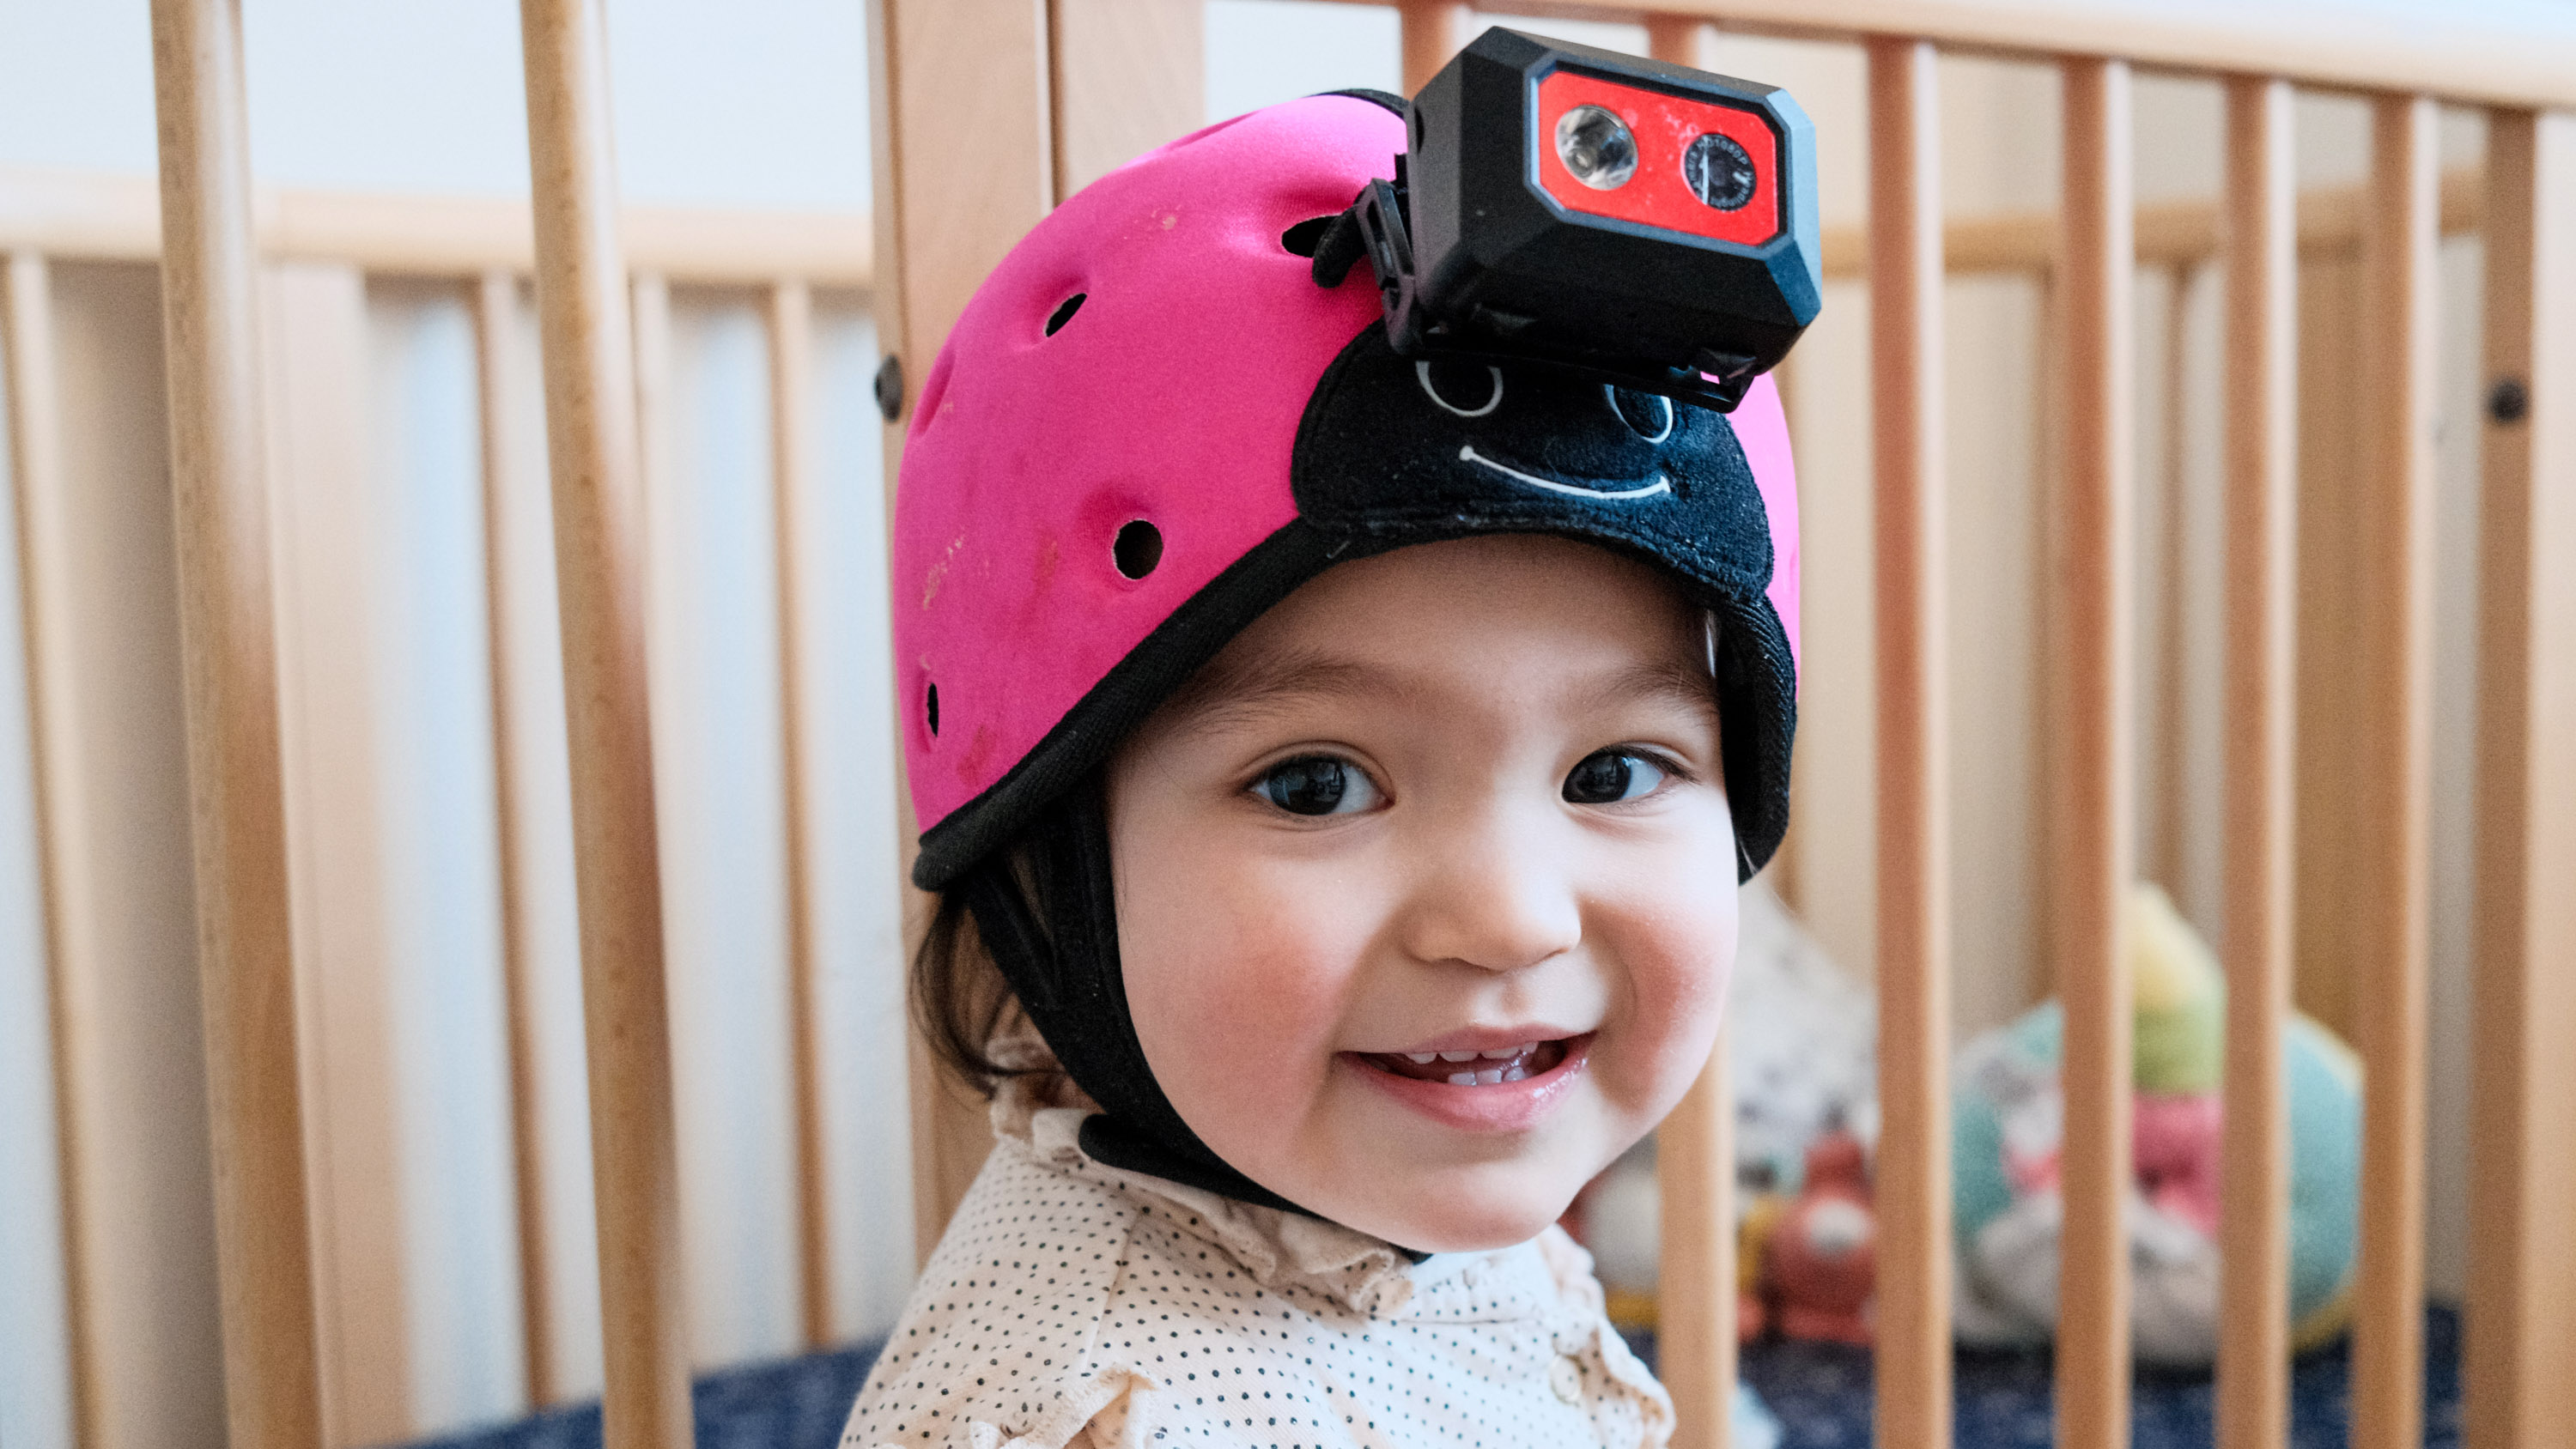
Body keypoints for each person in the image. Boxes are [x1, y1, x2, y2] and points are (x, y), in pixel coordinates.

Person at [841, 85, 1802, 1449]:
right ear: (1043, 865)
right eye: (1317, 785)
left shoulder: (1406, 1217)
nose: (1514, 917)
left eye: (1611, 773)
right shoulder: (1105, 1414)